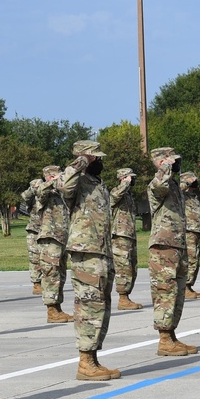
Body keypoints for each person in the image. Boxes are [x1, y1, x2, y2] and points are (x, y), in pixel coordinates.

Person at [61, 140, 120, 380]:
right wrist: (82, 161)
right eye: (96, 158)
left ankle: (93, 358)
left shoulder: (96, 183)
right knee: (89, 305)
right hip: (86, 252)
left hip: (101, 250)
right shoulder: (76, 180)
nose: (100, 162)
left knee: (100, 306)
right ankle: (85, 362)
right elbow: (64, 186)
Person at [148, 147, 197, 356]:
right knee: (165, 292)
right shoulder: (157, 183)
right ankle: (164, 339)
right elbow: (159, 185)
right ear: (162, 163)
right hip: (164, 245)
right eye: (172, 161)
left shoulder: (175, 185)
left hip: (177, 243)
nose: (177, 163)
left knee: (176, 292)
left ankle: (172, 335)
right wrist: (164, 168)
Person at [37, 166, 74, 323]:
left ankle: (57, 307)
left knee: (60, 274)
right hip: (50, 238)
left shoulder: (61, 194)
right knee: (51, 273)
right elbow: (39, 192)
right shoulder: (45, 192)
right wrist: (52, 183)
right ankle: (51, 310)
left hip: (62, 238)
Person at [110, 167, 142, 310]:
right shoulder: (116, 191)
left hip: (129, 235)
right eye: (130, 177)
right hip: (120, 235)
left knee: (132, 267)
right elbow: (113, 199)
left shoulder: (128, 195)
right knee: (123, 267)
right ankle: (123, 298)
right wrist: (124, 184)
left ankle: (126, 296)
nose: (133, 180)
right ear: (123, 178)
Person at [181, 171, 200, 300]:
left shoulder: (193, 196)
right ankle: (184, 287)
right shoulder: (181, 194)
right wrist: (186, 181)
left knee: (195, 258)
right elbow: (179, 188)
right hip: (187, 230)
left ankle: (189, 286)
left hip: (195, 230)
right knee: (189, 258)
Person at [21, 177, 44, 295]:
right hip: (34, 230)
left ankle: (47, 282)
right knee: (34, 258)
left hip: (47, 231)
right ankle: (36, 284)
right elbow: (25, 196)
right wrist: (33, 188)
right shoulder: (31, 199)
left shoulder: (47, 196)